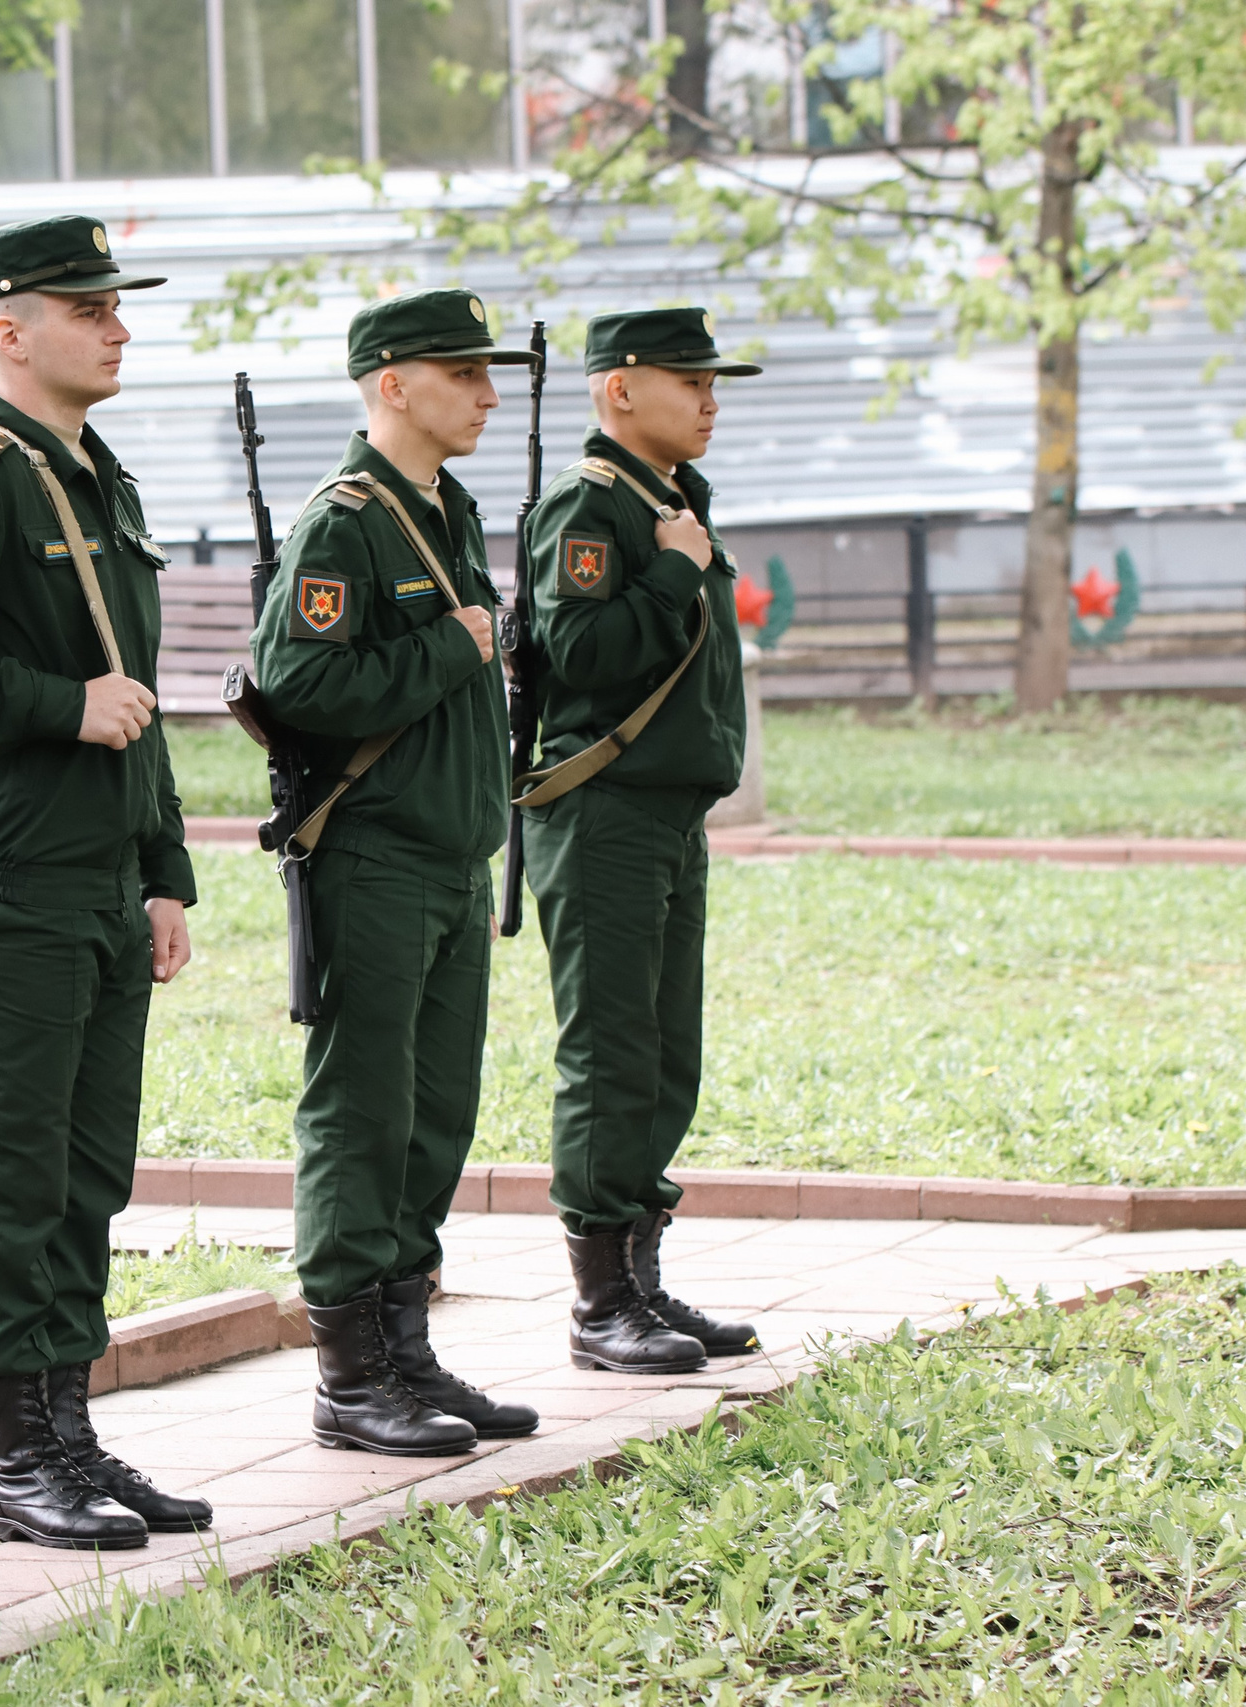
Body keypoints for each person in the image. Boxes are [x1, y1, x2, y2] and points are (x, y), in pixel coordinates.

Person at [0, 215, 208, 1550]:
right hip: (2, 863)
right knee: (16, 1165)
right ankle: (15, 1452)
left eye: (115, 305)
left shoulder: (99, 481)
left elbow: (135, 692)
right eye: (88, 308)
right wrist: (53, 704)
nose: (116, 326)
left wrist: (163, 867)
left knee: (90, 1171)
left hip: (96, 870)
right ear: (7, 331)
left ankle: (69, 1428)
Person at [248, 290, 543, 1456]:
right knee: (362, 1115)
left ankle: (406, 1350)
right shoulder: (345, 524)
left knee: (433, 1118)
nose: (485, 394)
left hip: (450, 859)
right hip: (372, 859)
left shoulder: (444, 508)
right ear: (391, 384)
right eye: (461, 373)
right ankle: (350, 1374)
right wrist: (447, 647)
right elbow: (295, 686)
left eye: (485, 373)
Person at [518, 306, 763, 1376]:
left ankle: (642, 1278)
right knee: (611, 1051)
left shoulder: (671, 499)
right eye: (689, 382)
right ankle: (600, 1301)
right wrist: (669, 571)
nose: (709, 402)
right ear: (619, 390)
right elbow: (577, 651)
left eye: (713, 384)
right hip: (602, 812)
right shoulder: (590, 504)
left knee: (666, 1052)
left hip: (666, 812)